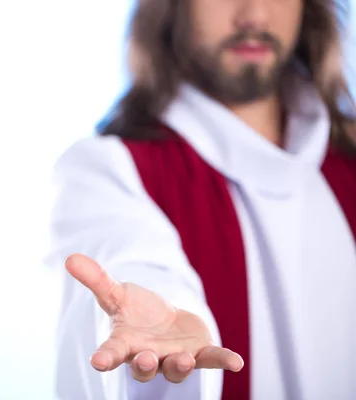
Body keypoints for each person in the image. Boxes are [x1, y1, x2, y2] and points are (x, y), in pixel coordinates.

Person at [45, 0, 356, 399]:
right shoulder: (110, 170)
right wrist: (160, 315)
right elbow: (134, 260)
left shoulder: (348, 164)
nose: (255, 15)